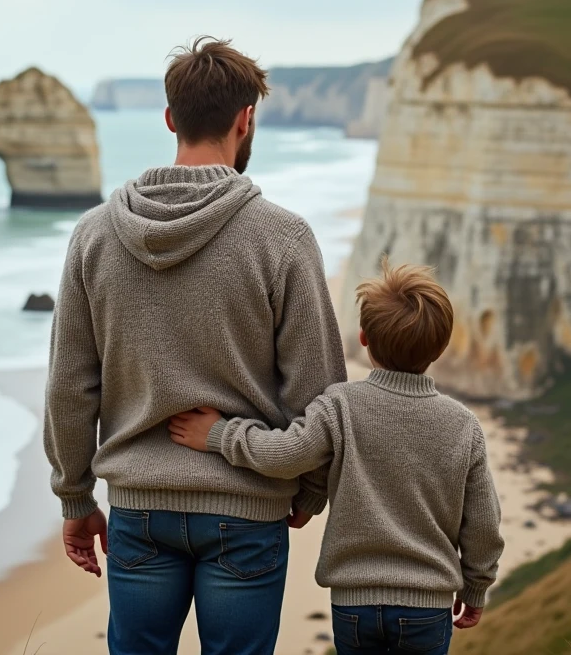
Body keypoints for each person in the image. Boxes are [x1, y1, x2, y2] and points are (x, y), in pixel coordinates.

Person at [43, 36, 347, 655]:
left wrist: (76, 497)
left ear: (169, 119)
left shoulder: (94, 235)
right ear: (246, 119)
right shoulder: (283, 238)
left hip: (139, 508)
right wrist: (308, 488)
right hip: (248, 506)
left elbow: (71, 383)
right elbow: (318, 389)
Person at [169, 259, 504, 655]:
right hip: (427, 607)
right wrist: (476, 585)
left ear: (363, 338)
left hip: (353, 604)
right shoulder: (463, 425)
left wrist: (220, 434)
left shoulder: (341, 405)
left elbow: (288, 453)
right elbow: (483, 523)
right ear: (442, 345)